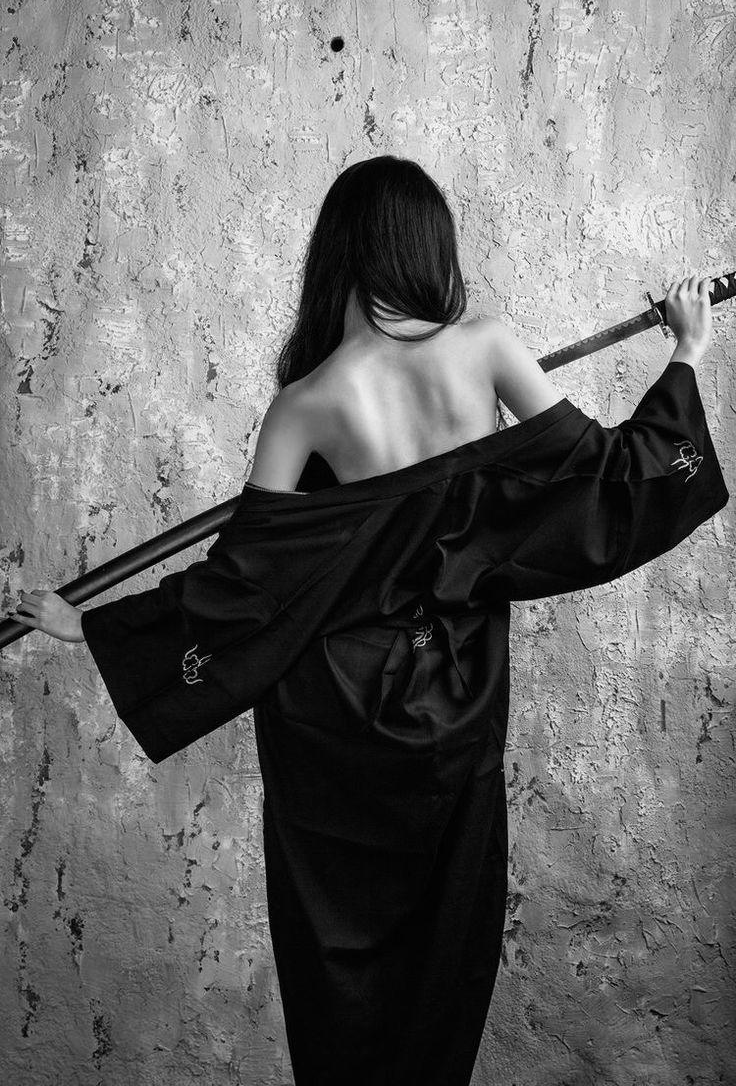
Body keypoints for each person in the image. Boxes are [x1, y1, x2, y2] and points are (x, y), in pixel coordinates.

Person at [9, 156, 728, 1086]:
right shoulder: (486, 347)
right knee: (447, 942)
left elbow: (245, 588)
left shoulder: (305, 404)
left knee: (338, 956)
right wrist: (687, 349)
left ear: (337, 252)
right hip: (459, 696)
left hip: (337, 716)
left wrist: (96, 629)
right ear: (426, 248)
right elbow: (611, 486)